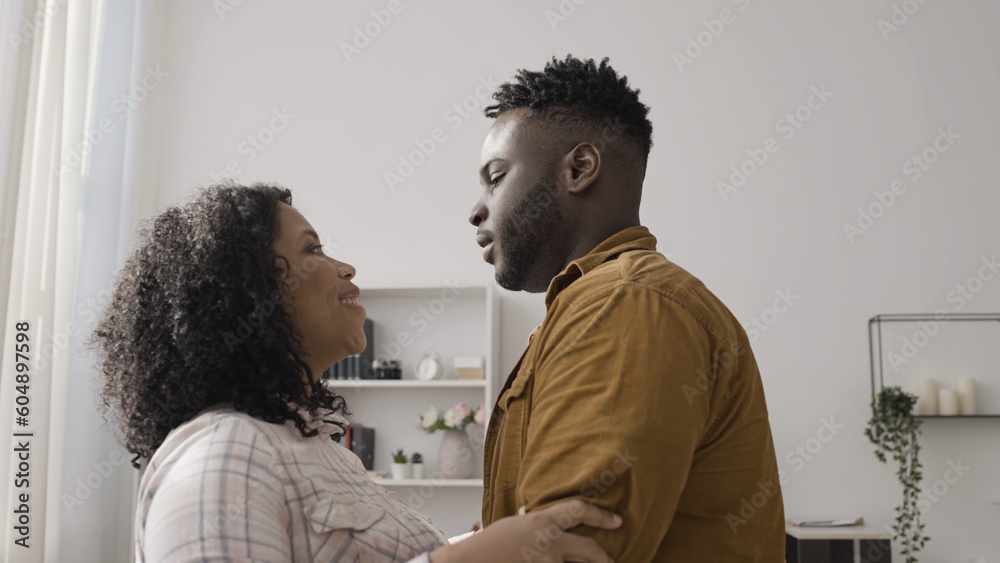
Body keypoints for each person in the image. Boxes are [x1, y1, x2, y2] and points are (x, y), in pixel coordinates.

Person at [91, 183, 622, 562]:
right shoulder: (225, 455)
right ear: (247, 294)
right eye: (313, 249)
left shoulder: (316, 450)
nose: (345, 267)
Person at [468, 55, 785, 561]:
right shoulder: (600, 303)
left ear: (579, 169)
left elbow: (566, 549)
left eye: (497, 177)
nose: (476, 210)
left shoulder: (623, 303)